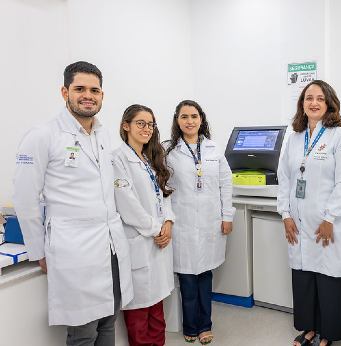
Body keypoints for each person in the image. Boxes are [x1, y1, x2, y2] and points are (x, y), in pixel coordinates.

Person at [12, 61, 133, 346]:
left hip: (111, 246)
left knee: (108, 323)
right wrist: (38, 249)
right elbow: (24, 198)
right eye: (80, 89)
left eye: (94, 90)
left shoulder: (102, 134)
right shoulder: (43, 135)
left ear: (102, 95)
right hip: (74, 250)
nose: (87, 95)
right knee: (82, 333)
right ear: (65, 91)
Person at [277, 80, 341, 346]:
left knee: (327, 280)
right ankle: (308, 328)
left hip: (325, 223)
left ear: (329, 103)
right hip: (297, 222)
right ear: (302, 104)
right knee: (304, 279)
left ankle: (329, 334)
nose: (314, 103)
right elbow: (285, 178)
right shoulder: (294, 137)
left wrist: (330, 218)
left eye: (320, 98)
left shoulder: (340, 137)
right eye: (308, 98)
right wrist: (285, 214)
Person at [164, 100, 235, 345]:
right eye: (184, 117)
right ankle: (190, 326)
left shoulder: (214, 149)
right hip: (182, 223)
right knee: (186, 277)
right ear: (177, 121)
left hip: (209, 222)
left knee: (205, 275)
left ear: (201, 119)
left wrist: (227, 216)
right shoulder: (168, 151)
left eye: (194, 116)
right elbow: (163, 188)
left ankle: (205, 325)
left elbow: (226, 184)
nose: (190, 121)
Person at [113, 104, 175, 346]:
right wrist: (156, 228)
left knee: (157, 309)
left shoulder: (149, 158)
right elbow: (127, 204)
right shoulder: (118, 159)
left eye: (150, 124)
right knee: (139, 314)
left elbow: (163, 195)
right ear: (126, 125)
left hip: (158, 240)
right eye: (140, 123)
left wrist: (168, 221)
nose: (146, 128)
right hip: (140, 239)